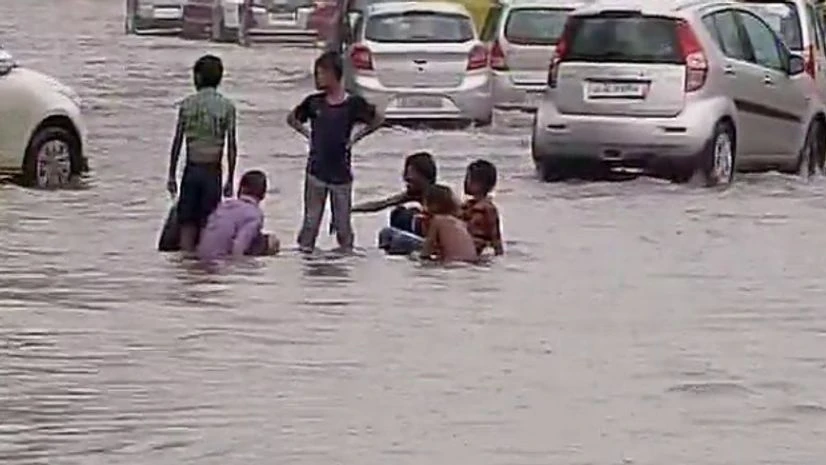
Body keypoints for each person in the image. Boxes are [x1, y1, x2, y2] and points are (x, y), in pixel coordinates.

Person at [287, 51, 383, 253]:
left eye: (320, 73)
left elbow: (378, 118)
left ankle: (344, 265)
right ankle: (305, 259)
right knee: (310, 224)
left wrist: (357, 137)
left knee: (343, 226)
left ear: (333, 74)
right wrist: (307, 134)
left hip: (341, 175)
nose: (317, 78)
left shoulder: (353, 104)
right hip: (315, 172)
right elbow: (292, 118)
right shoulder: (314, 103)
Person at [167, 54, 237, 252]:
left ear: (197, 78)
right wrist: (231, 179)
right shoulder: (227, 107)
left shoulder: (187, 105)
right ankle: (206, 268)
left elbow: (177, 142)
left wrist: (172, 175)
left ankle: (186, 263)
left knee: (187, 222)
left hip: (192, 168)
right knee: (209, 222)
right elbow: (231, 146)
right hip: (213, 170)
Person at [197, 170, 279, 260]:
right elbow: (240, 243)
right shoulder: (254, 215)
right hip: (222, 259)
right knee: (272, 241)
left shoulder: (224, 206)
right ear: (263, 194)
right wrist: (238, 267)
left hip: (204, 254)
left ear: (240, 190)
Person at [353, 151, 437, 236]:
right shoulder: (412, 195)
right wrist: (351, 209)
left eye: (411, 179)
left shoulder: (438, 196)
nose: (407, 179)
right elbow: (381, 204)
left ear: (424, 176)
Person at [420, 184, 478, 263]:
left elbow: (425, 252)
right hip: (471, 263)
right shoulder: (461, 223)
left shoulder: (437, 221)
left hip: (453, 264)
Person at [460, 159, 504, 256]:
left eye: (468, 178)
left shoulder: (488, 209)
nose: (465, 182)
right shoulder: (466, 206)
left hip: (480, 250)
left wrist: (498, 252)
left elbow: (495, 236)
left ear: (479, 183)